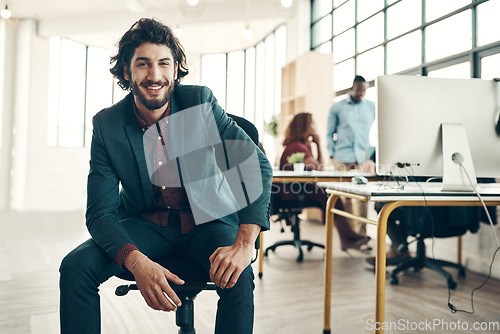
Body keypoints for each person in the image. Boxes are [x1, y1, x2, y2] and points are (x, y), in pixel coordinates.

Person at [58, 18, 272, 334]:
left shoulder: (199, 101)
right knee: (76, 266)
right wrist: (135, 261)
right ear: (127, 72)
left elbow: (256, 165)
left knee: (238, 275)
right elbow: (100, 213)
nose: (154, 75)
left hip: (208, 222)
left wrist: (245, 242)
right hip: (146, 224)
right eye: (143, 64)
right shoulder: (108, 126)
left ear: (175, 70)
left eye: (163, 64)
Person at [279, 112, 370, 251]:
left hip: (298, 189)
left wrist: (316, 144)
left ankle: (347, 238)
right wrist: (319, 143)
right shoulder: (297, 146)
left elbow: (317, 166)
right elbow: (320, 168)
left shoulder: (303, 145)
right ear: (304, 126)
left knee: (329, 195)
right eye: (312, 123)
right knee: (331, 195)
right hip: (293, 192)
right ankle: (349, 236)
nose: (315, 126)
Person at [326, 75, 375, 250]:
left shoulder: (371, 107)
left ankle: (360, 237)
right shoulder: (338, 107)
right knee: (345, 198)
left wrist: (372, 156)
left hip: (362, 158)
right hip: (341, 157)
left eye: (364, 90)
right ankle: (348, 238)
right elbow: (330, 132)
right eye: (359, 90)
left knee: (362, 198)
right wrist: (331, 155)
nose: (361, 93)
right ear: (352, 88)